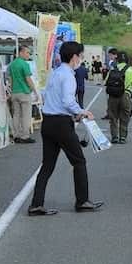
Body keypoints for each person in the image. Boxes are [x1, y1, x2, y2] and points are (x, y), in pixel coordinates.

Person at [28, 40, 104, 216]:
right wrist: (82, 111)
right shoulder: (68, 75)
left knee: (47, 165)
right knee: (79, 161)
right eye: (80, 56)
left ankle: (36, 204)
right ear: (74, 57)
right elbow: (68, 101)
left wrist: (73, 113)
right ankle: (82, 200)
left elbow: (48, 96)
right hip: (61, 124)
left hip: (48, 122)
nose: (81, 59)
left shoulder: (54, 73)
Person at [7, 44, 39, 144]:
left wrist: (12, 90)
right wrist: (35, 91)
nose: (28, 54)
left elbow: (9, 79)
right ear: (20, 53)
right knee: (26, 115)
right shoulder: (24, 64)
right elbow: (28, 79)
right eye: (27, 52)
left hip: (15, 92)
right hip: (24, 92)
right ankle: (25, 136)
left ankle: (16, 135)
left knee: (16, 115)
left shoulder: (11, 65)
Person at [105, 51, 132, 144]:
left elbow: (106, 82)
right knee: (124, 116)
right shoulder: (131, 69)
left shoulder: (113, 68)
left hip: (112, 96)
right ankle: (123, 137)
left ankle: (114, 136)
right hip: (125, 95)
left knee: (113, 116)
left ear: (117, 59)